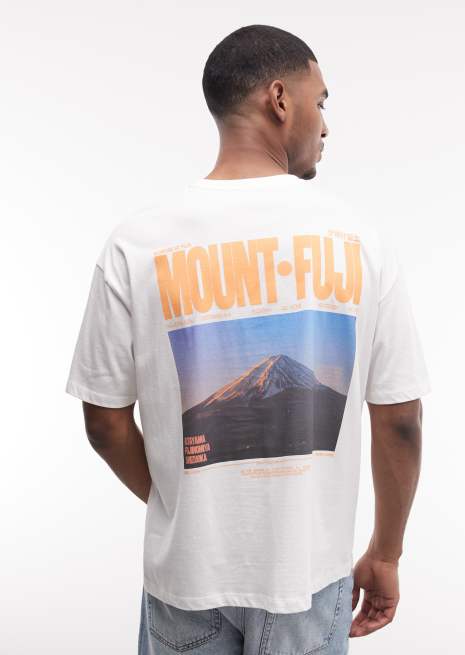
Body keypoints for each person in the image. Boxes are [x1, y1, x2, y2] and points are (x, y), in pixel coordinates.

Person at [65, 24, 431, 654]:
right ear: (280, 99)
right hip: (310, 581)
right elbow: (400, 420)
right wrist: (386, 552)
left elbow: (104, 423)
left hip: (186, 580)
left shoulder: (136, 242)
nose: (325, 125)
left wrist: (179, 505)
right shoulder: (360, 239)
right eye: (321, 101)